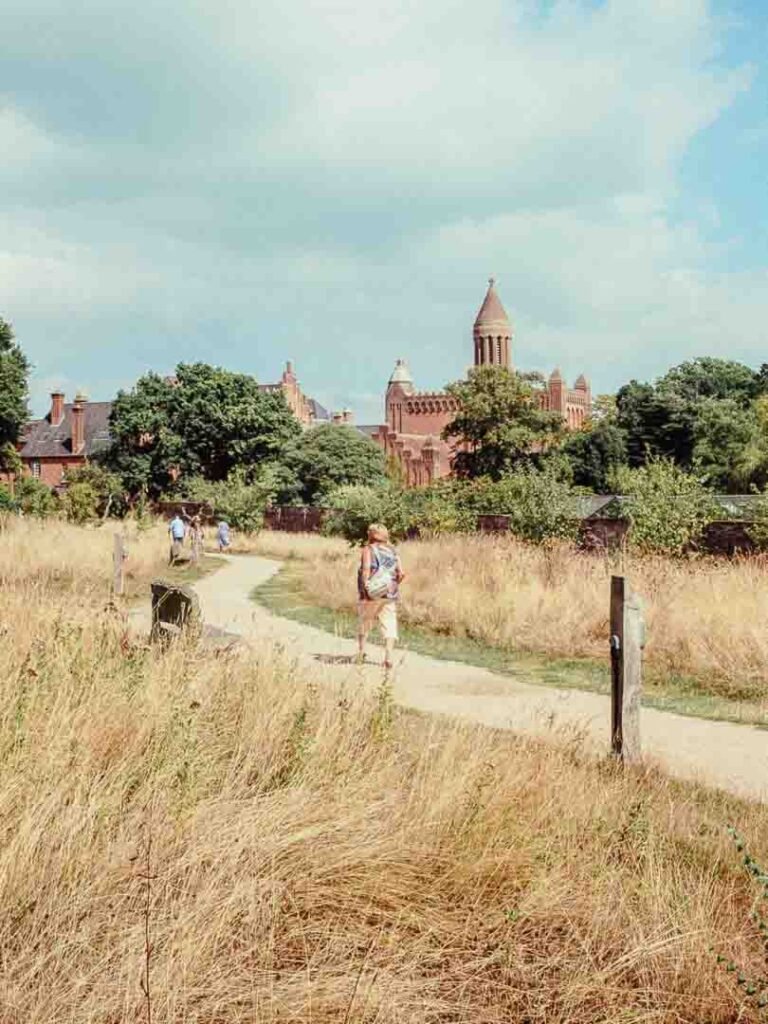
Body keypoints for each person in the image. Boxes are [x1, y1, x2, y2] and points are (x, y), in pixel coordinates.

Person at [357, 522, 404, 670]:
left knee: (366, 621)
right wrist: (392, 585)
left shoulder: (368, 549)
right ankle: (388, 657)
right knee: (389, 623)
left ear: (371, 535)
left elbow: (366, 570)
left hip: (372, 593)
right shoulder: (393, 551)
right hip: (390, 592)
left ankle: (362, 652)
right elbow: (401, 573)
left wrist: (366, 587)